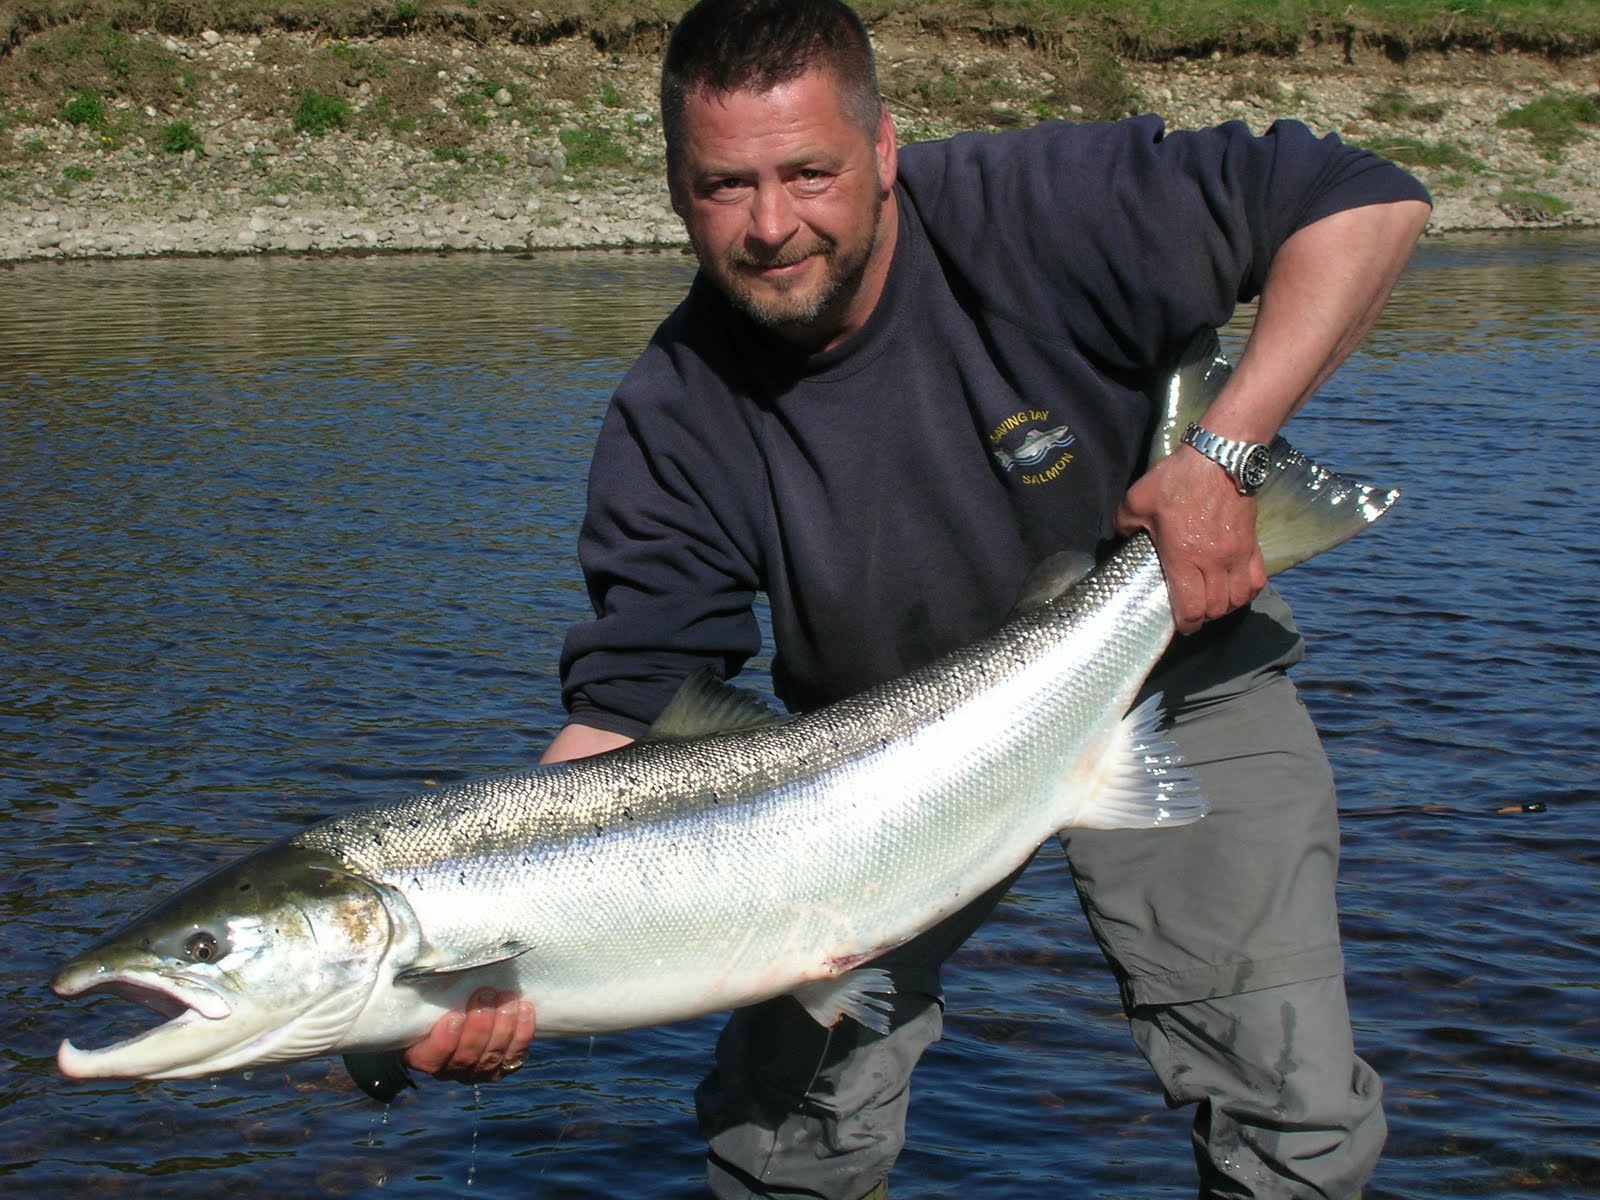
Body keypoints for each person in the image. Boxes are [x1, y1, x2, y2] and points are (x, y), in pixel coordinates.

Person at [404, 1, 1433, 1195]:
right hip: (871, 768)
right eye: (725, 186)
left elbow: (1367, 198)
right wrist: (491, 957)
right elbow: (624, 718)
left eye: (809, 172)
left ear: (885, 147)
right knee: (780, 1136)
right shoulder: (671, 416)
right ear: (676, 189)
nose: (772, 225)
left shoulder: (1040, 204)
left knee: (1286, 1101)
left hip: (1177, 664)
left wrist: (1228, 457)